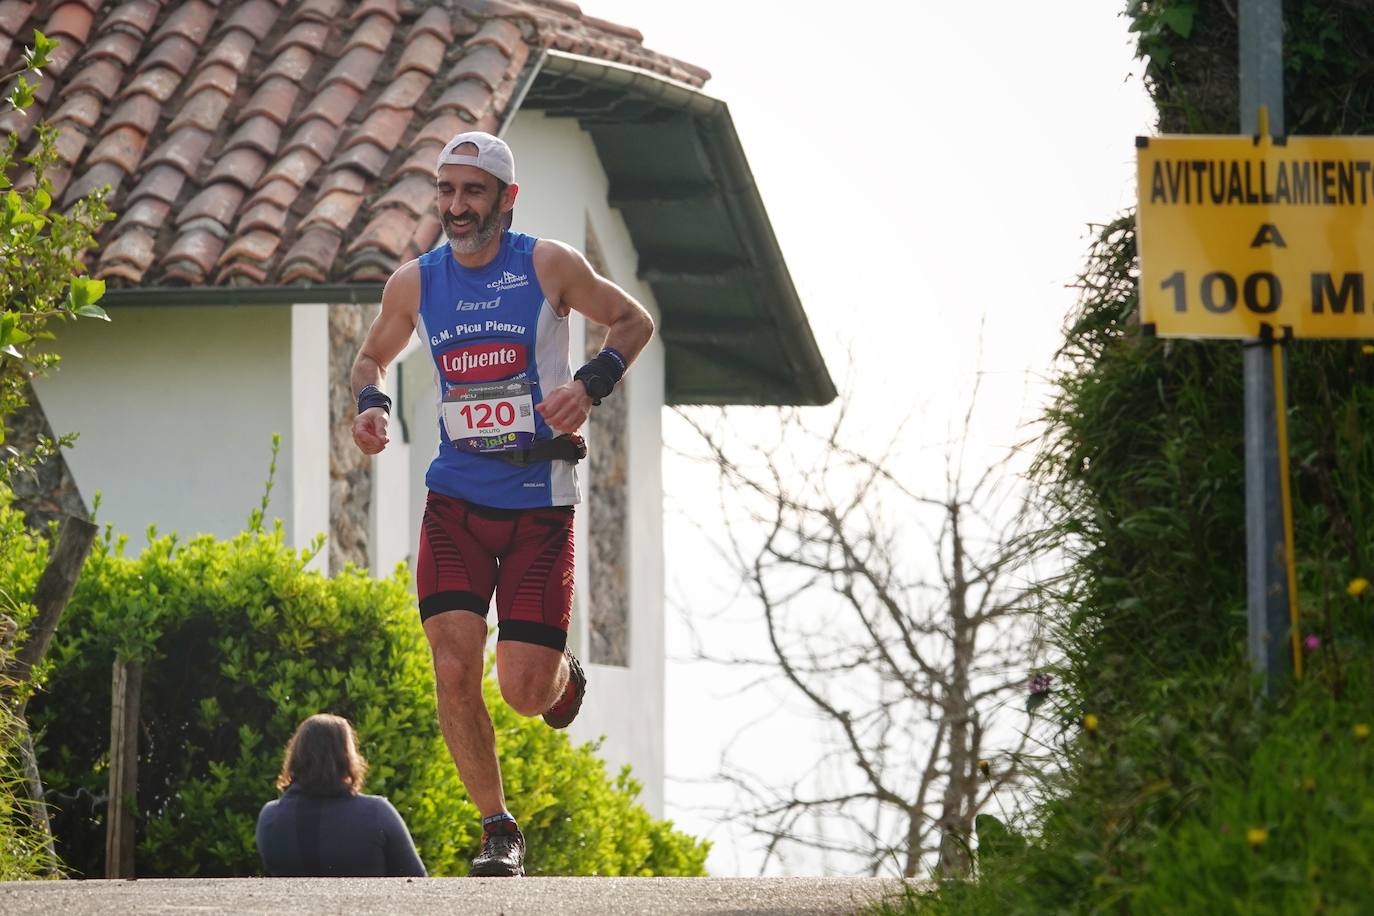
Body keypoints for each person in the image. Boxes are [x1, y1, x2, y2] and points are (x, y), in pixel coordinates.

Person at [349, 130, 655, 878]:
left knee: (522, 693)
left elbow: (634, 320)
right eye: (446, 191)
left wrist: (589, 386)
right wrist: (371, 404)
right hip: (454, 499)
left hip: (538, 503)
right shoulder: (415, 283)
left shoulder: (547, 264)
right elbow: (371, 354)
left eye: (472, 192)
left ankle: (560, 677)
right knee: (453, 670)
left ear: (505, 199)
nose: (456, 207)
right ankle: (498, 830)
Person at [256, 713, 426, 877]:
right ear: (346, 758)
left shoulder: (271, 817)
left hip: (292, 906)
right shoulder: (376, 813)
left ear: (296, 757)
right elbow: (417, 880)